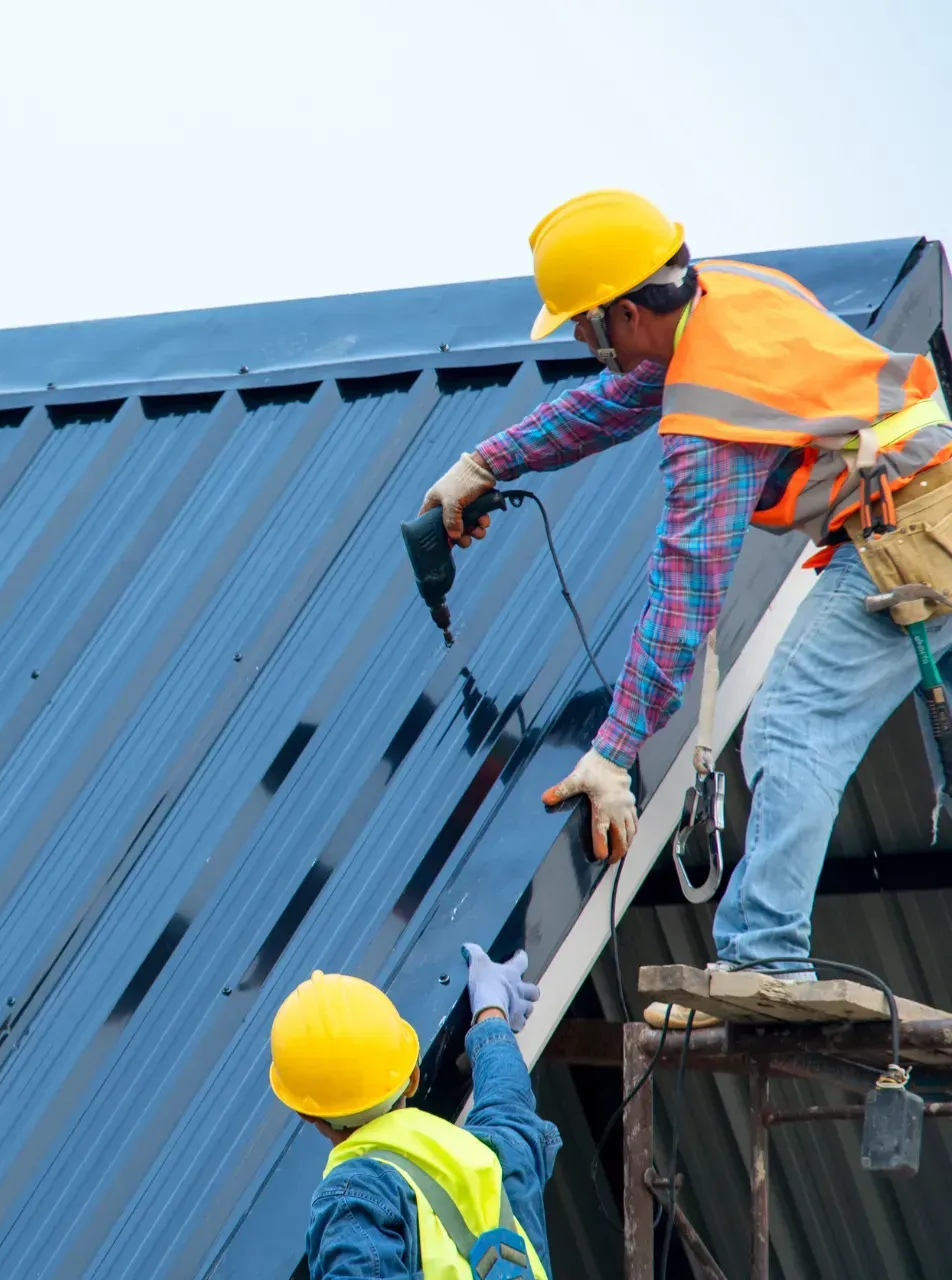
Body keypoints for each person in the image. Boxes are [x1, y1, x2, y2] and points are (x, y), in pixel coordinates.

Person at [420, 190, 952, 1025]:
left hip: (915, 530)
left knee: (791, 723)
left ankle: (766, 961)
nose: (589, 350)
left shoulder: (711, 408)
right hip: (925, 510)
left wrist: (613, 748)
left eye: (588, 330)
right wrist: (486, 464)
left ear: (628, 312)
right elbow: (614, 403)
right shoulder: (723, 296)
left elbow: (686, 593)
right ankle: (764, 956)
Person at [270, 944, 560, 1279]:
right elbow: (508, 1107)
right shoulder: (489, 1159)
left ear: (307, 1115)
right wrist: (491, 1008)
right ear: (412, 1078)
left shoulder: (355, 1200)